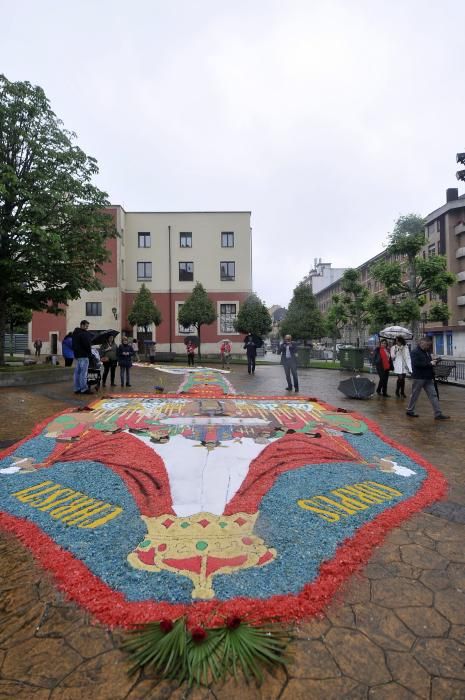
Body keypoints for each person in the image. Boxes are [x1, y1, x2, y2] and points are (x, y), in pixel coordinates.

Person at [406, 338, 450, 420]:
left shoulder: (427, 351)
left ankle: (438, 414)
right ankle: (410, 410)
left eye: (429, 345)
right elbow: (416, 364)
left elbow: (430, 362)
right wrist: (430, 363)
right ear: (421, 343)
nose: (428, 346)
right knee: (415, 395)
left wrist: (436, 360)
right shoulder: (414, 352)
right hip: (419, 377)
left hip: (428, 377)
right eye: (427, 345)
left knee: (433, 395)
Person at [72, 320, 92, 394]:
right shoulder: (84, 333)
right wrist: (89, 353)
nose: (87, 328)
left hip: (78, 356)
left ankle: (77, 388)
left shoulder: (75, 333)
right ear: (82, 325)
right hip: (84, 355)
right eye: (86, 326)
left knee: (77, 373)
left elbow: (73, 345)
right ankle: (84, 389)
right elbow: (87, 345)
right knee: (83, 373)